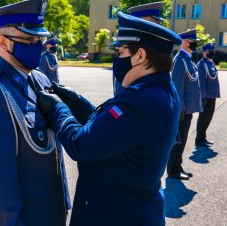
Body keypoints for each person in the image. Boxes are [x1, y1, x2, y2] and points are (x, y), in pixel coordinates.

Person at [37, 11, 181, 226]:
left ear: (140, 55)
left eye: (120, 52)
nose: (117, 59)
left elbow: (82, 144)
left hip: (116, 214)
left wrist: (59, 109)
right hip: (136, 209)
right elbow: (115, 131)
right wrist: (77, 102)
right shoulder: (161, 90)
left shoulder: (138, 101)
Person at [0, 1, 71, 225]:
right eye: (28, 40)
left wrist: (64, 205)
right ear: (3, 42)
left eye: (38, 40)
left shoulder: (39, 78)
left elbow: (55, 157)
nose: (37, 46)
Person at [167, 29, 202, 180]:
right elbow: (176, 86)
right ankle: (173, 170)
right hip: (183, 109)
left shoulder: (188, 58)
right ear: (185, 42)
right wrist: (179, 109)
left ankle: (178, 166)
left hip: (188, 108)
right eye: (193, 41)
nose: (195, 44)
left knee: (183, 139)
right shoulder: (180, 59)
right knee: (178, 140)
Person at [114, 1, 164, 96]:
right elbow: (120, 91)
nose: (157, 29)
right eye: (152, 25)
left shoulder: (160, 52)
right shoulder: (126, 52)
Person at [195, 42, 220, 147]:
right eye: (210, 51)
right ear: (204, 52)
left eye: (213, 51)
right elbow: (201, 82)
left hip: (212, 96)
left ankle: (203, 138)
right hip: (206, 97)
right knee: (203, 118)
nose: (212, 53)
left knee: (208, 118)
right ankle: (199, 140)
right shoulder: (202, 64)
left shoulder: (211, 62)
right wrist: (203, 97)